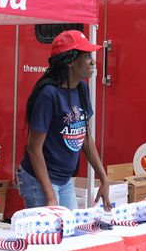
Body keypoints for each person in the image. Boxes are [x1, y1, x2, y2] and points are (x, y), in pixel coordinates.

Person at [18, 30, 110, 210]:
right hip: (41, 181)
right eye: (86, 56)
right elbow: (34, 148)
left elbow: (85, 137)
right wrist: (50, 197)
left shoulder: (82, 88)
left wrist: (104, 178)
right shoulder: (48, 95)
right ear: (70, 62)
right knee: (49, 236)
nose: (92, 61)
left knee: (70, 234)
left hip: (64, 179)